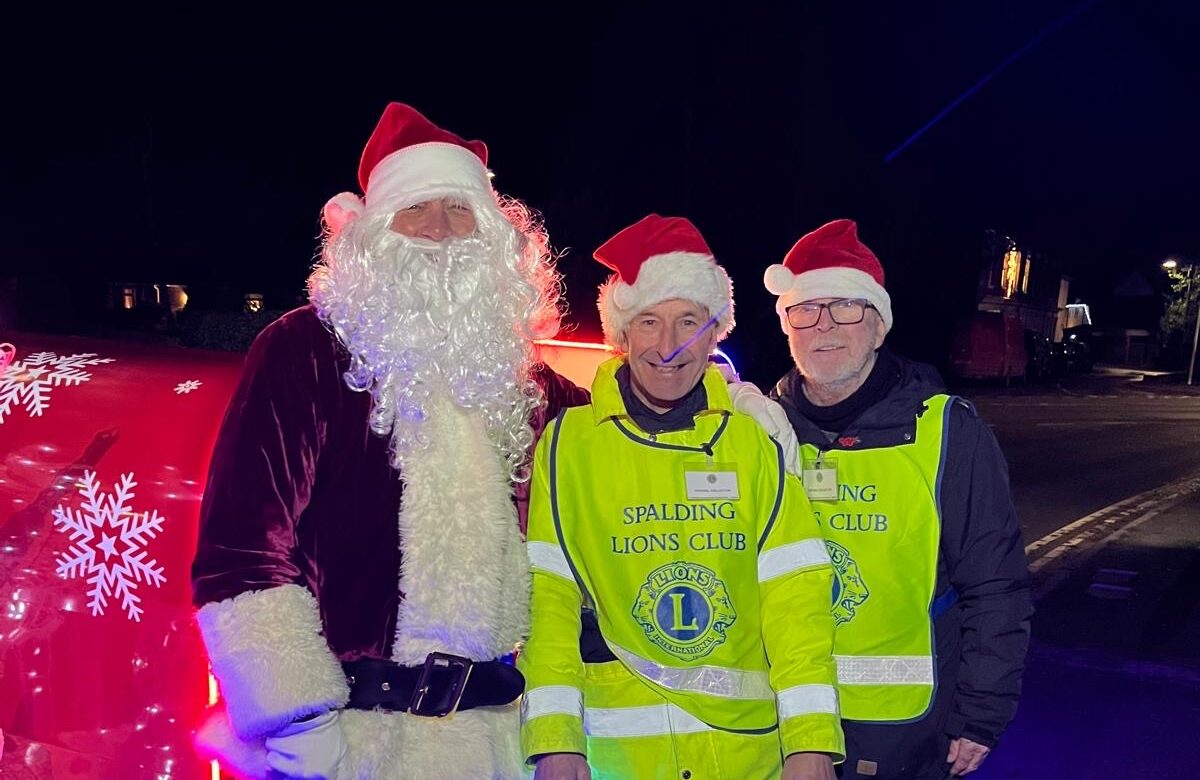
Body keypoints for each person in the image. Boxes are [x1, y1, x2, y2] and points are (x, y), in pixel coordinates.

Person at [190, 102, 588, 780]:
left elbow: (628, 424)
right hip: (352, 742)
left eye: (460, 210)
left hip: (495, 745)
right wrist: (299, 722)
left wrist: (724, 401)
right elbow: (240, 553)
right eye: (415, 209)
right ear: (373, 234)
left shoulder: (523, 381)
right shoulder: (303, 351)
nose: (439, 229)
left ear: (493, 238)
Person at [518, 214, 845, 780]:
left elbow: (797, 601)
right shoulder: (568, 445)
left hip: (746, 757)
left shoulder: (752, 441)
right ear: (622, 335)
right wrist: (554, 742)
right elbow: (549, 600)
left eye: (688, 321)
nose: (668, 346)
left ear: (714, 333)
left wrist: (811, 742)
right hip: (616, 755)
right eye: (649, 321)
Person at [734, 219, 1032, 779]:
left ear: (878, 327)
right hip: (777, 720)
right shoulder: (758, 431)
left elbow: (996, 584)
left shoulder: (946, 430)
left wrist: (980, 715)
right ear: (787, 327)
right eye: (805, 309)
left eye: (846, 306)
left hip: (903, 733)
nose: (824, 324)